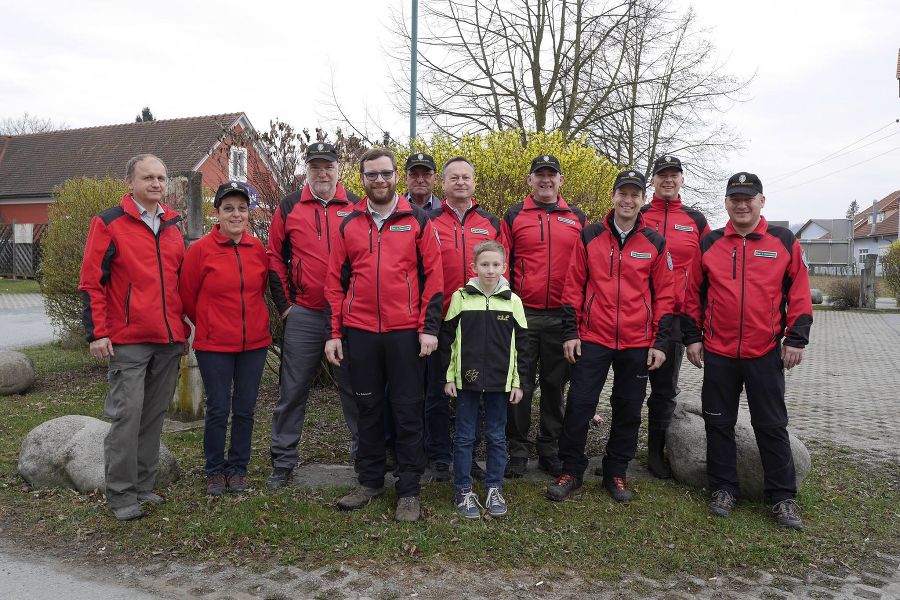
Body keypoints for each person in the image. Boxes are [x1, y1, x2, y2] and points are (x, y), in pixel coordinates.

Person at [682, 172, 812, 529]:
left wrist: (796, 338)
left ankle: (782, 496)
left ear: (761, 201)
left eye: (748, 198)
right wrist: (692, 337)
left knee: (771, 425)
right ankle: (724, 488)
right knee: (718, 423)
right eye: (735, 199)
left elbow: (799, 292)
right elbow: (692, 295)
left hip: (765, 351)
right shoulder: (709, 243)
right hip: (719, 352)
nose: (741, 204)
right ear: (726, 203)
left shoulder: (783, 241)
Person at [324, 148, 444, 522]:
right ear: (361, 178)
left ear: (396, 177)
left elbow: (434, 281)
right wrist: (334, 333)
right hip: (360, 333)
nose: (379, 180)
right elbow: (334, 283)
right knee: (368, 408)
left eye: (385, 173)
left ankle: (409, 489)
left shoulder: (419, 221)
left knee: (408, 411)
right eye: (371, 174)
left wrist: (429, 328)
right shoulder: (349, 224)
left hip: (405, 333)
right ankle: (370, 481)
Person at [547, 169, 674, 503]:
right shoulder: (589, 236)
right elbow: (573, 285)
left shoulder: (655, 243)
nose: (628, 200)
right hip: (593, 336)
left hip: (637, 341)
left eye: (635, 195)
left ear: (643, 200)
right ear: (613, 196)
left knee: (629, 407)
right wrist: (571, 332)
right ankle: (571, 470)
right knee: (579, 404)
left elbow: (665, 296)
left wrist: (660, 343)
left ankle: (616, 471)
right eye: (623, 193)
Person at [79, 153, 188, 521]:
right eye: (148, 178)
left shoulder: (173, 225)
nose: (156, 184)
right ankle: (122, 496)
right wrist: (97, 333)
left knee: (153, 416)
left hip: (169, 338)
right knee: (128, 416)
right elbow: (92, 281)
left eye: (161, 177)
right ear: (130, 182)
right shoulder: (109, 223)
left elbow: (180, 282)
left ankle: (144, 486)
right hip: (128, 339)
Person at [266, 142, 360, 488]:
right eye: (316, 167)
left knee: (355, 388)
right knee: (293, 390)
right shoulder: (290, 206)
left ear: (339, 169)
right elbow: (274, 256)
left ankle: (364, 458)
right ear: (307, 170)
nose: (322, 173)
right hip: (304, 312)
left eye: (329, 167)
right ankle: (283, 460)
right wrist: (285, 305)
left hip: (349, 314)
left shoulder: (356, 206)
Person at [179, 182, 271, 496]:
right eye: (228, 208)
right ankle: (215, 471)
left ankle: (238, 469)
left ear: (249, 213)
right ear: (217, 213)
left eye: (241, 209)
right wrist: (210, 323)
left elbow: (260, 291)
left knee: (245, 409)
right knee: (218, 409)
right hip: (215, 345)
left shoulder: (257, 248)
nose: (236, 214)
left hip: (254, 345)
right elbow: (187, 297)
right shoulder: (200, 250)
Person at [501, 155, 586, 477]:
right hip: (523, 314)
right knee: (520, 384)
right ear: (530, 180)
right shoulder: (514, 215)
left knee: (554, 385)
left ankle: (549, 449)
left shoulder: (576, 217)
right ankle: (518, 450)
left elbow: (583, 268)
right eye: (540, 175)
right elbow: (503, 264)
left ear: (561, 180)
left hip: (561, 317)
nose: (546, 181)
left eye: (552, 175)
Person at [427, 156, 501, 481]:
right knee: (437, 392)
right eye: (453, 177)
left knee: (474, 392)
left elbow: (502, 269)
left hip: (478, 323)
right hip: (440, 321)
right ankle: (440, 457)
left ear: (473, 183)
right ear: (442, 184)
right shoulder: (427, 221)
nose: (460, 182)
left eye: (465, 177)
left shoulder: (490, 222)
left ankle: (469, 458)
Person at [441, 240, 527, 519]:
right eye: (484, 264)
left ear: (504, 267)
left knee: (496, 436)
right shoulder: (461, 298)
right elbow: (449, 342)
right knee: (465, 437)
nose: (490, 270)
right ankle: (463, 489)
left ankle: (494, 487)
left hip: (501, 383)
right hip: (466, 381)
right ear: (474, 267)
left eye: (495, 265)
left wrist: (518, 382)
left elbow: (522, 348)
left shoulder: (513, 301)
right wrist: (449, 377)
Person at [636, 155, 710, 479]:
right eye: (662, 175)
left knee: (664, 390)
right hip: (637, 313)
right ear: (653, 181)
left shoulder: (695, 219)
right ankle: (622, 448)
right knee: (631, 386)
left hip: (676, 319)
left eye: (674, 175)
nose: (668, 180)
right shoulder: (638, 214)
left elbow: (709, 268)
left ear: (681, 181)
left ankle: (655, 452)